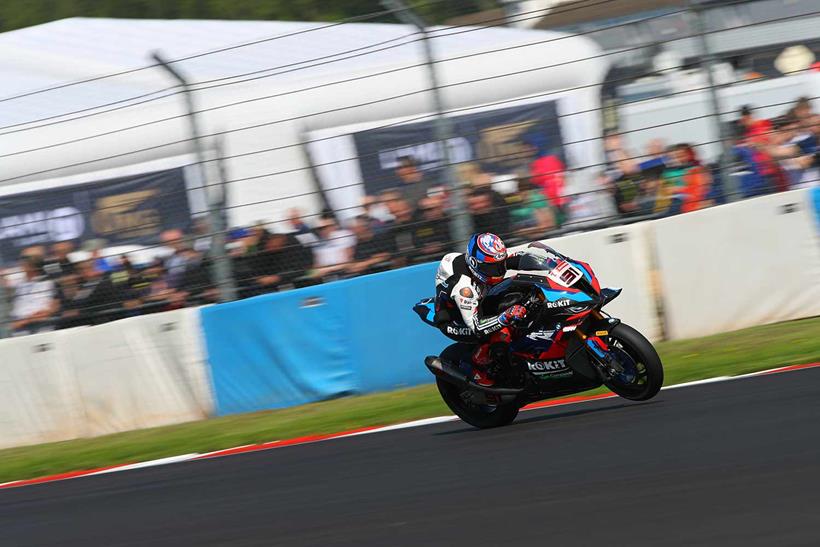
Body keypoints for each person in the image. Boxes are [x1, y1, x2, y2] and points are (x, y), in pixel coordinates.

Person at [433, 232, 532, 387]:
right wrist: (505, 317)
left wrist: (552, 262)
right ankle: (480, 369)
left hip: (478, 302)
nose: (498, 271)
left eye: (499, 265)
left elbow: (516, 259)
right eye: (492, 268)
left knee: (522, 289)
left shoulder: (485, 262)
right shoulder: (464, 288)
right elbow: (477, 327)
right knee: (502, 333)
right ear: (475, 263)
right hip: (456, 321)